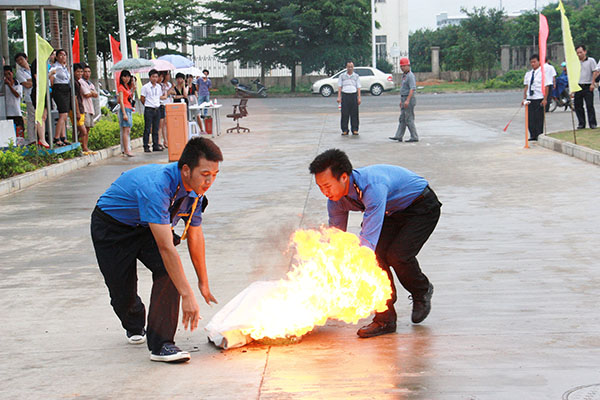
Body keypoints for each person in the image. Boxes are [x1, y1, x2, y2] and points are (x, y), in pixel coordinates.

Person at [91, 137, 222, 363]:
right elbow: (166, 247)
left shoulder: (195, 193)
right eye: (204, 174)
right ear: (186, 169)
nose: (209, 181)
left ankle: (162, 344)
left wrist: (203, 282)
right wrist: (187, 295)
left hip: (148, 226)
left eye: (214, 174)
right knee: (122, 293)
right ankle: (133, 322)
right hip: (112, 227)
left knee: (169, 273)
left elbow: (195, 235)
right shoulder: (157, 186)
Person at [309, 149, 441, 338]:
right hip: (391, 211)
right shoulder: (335, 201)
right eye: (320, 187)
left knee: (397, 255)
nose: (325, 192)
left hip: (421, 206)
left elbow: (367, 243)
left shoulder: (372, 187)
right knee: (378, 257)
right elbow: (336, 238)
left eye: (327, 186)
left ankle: (422, 291)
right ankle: (385, 319)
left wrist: (357, 270)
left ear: (344, 177)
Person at [523, 54, 553, 141]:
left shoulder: (543, 73)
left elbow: (546, 86)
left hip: (539, 98)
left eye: (534, 62)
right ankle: (533, 135)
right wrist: (524, 98)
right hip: (530, 98)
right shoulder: (528, 74)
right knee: (530, 119)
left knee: (539, 118)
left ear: (539, 62)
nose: (533, 64)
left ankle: (539, 135)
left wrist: (545, 99)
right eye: (531, 62)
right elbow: (526, 87)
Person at [389, 57, 418, 143]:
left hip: (409, 98)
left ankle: (414, 136)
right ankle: (399, 136)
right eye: (401, 66)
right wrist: (402, 101)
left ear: (408, 66)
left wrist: (407, 100)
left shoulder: (410, 76)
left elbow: (412, 89)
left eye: (404, 66)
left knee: (409, 118)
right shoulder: (404, 76)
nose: (402, 68)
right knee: (402, 118)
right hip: (403, 98)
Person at [50, 49, 72, 146]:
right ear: (57, 57)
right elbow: (51, 78)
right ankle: (56, 137)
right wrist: (53, 88)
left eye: (64, 55)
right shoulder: (56, 67)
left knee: (65, 115)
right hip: (59, 89)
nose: (63, 57)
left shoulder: (64, 67)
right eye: (61, 55)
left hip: (66, 89)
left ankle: (63, 136)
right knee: (63, 115)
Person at [14, 52, 37, 145]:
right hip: (29, 97)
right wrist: (34, 80)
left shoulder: (34, 68)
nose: (20, 62)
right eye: (18, 61)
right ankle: (32, 139)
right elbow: (26, 85)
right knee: (32, 118)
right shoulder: (19, 72)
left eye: (21, 59)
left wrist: (31, 80)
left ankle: (40, 137)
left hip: (38, 96)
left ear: (26, 58)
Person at [574, 45, 597, 129]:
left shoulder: (591, 61)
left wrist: (592, 83)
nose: (579, 54)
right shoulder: (575, 62)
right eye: (577, 53)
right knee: (578, 106)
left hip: (587, 85)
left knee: (589, 105)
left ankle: (592, 123)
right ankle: (581, 123)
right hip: (578, 85)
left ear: (585, 52)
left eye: (581, 52)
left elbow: (595, 72)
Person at [140, 69, 162, 152]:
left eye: (156, 77)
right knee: (147, 128)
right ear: (150, 77)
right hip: (149, 109)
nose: (155, 78)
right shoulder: (145, 87)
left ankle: (155, 145)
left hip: (157, 108)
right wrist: (147, 105)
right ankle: (146, 146)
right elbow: (142, 98)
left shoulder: (159, 87)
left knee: (156, 128)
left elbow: (159, 97)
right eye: (153, 77)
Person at [337, 61, 361, 136]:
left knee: (354, 113)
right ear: (346, 67)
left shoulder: (356, 76)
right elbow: (339, 87)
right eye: (349, 67)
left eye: (351, 67)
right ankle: (344, 129)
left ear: (353, 67)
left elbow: (358, 87)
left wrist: (359, 98)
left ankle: (355, 129)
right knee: (345, 113)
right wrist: (339, 97)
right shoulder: (342, 76)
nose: (350, 68)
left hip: (353, 95)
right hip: (345, 95)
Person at [73, 63, 91, 154]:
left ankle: (78, 148)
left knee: (78, 130)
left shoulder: (78, 82)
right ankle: (79, 148)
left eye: (81, 72)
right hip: (77, 109)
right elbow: (75, 97)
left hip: (81, 108)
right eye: (78, 72)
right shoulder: (74, 83)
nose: (80, 73)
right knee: (83, 131)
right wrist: (77, 111)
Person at [117, 70, 135, 157]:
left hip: (129, 108)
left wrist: (133, 89)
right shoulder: (121, 87)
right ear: (121, 77)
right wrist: (124, 113)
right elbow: (121, 101)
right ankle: (126, 150)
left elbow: (129, 98)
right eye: (125, 76)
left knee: (128, 130)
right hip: (125, 109)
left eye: (128, 76)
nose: (126, 78)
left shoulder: (126, 87)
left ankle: (127, 149)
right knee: (125, 130)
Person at [3, 65, 24, 136]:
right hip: (7, 113)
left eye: (9, 74)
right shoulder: (2, 86)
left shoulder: (17, 83)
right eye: (5, 74)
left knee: (19, 134)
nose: (8, 76)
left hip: (16, 112)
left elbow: (17, 95)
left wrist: (9, 85)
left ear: (12, 73)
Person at [80, 64, 99, 140]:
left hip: (90, 108)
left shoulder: (90, 83)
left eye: (89, 72)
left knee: (87, 129)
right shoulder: (81, 81)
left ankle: (85, 145)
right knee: (83, 130)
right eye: (85, 72)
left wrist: (90, 92)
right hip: (84, 108)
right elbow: (86, 94)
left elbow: (96, 94)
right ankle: (82, 145)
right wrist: (91, 92)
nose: (87, 73)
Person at [158, 71, 172, 149]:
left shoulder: (166, 85)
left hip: (168, 104)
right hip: (162, 104)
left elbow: (167, 95)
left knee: (166, 124)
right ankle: (163, 141)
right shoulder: (158, 86)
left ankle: (166, 140)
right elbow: (164, 95)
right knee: (162, 124)